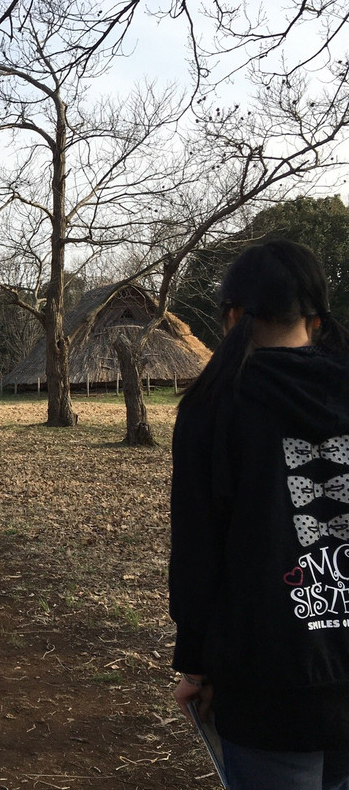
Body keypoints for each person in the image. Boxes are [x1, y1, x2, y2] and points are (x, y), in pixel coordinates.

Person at [170, 239, 349, 789]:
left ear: (232, 316)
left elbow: (199, 552)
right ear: (315, 318)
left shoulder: (211, 408)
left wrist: (195, 663)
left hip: (267, 680)